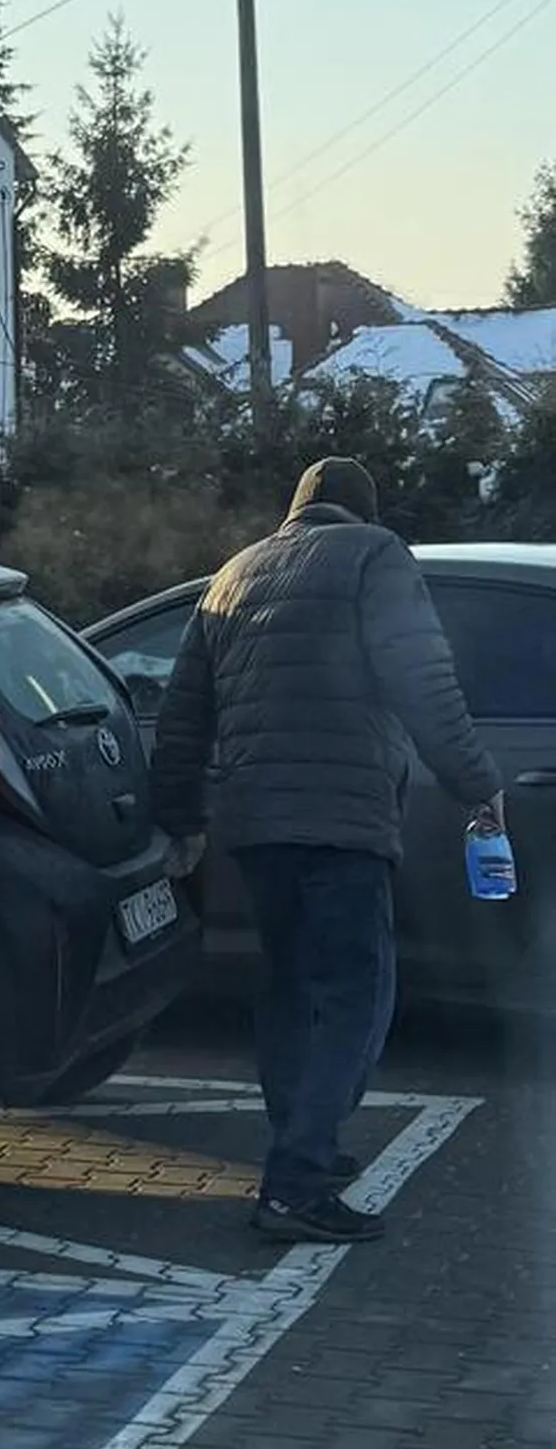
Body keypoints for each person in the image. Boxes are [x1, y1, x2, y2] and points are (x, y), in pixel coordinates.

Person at [151, 456, 503, 1242]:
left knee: (287, 989)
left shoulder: (233, 574)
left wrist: (180, 817)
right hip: (342, 822)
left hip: (255, 827)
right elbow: (422, 678)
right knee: (354, 996)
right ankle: (295, 1184)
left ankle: (300, 1143)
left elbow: (182, 712)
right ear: (362, 510)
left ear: (297, 510)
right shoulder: (376, 556)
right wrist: (476, 782)